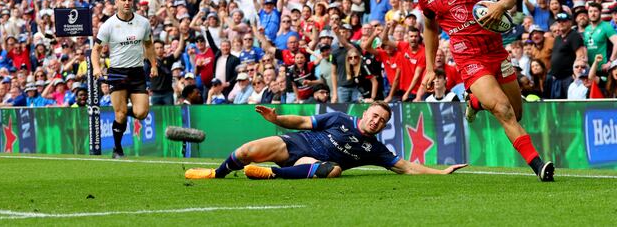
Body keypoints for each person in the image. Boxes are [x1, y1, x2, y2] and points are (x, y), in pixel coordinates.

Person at [418, 0, 554, 182]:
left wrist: (500, 6)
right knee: (503, 110)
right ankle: (539, 165)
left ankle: (476, 103)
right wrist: (429, 68)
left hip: (496, 52)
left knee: (515, 112)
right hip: (468, 58)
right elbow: (429, 28)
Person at [184, 102, 466, 180]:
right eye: (374, 115)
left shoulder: (374, 149)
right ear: (365, 112)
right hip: (294, 144)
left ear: (383, 126)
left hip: (312, 162)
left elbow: (406, 167)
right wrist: (277, 119)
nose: (376, 121)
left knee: (333, 170)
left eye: (382, 121)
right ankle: (216, 173)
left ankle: (270, 174)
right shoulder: (339, 118)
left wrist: (441, 171)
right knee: (247, 150)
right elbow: (304, 122)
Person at [92, 0, 157, 159]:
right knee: (120, 115)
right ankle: (117, 148)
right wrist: (97, 68)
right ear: (116, 3)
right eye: (123, 0)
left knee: (142, 113)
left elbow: (149, 45)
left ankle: (121, 109)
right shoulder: (108, 25)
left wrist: (154, 65)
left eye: (129, 0)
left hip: (137, 73)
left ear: (133, 2)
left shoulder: (143, 23)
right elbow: (96, 50)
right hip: (117, 73)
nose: (127, 3)